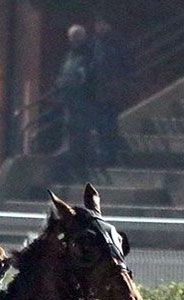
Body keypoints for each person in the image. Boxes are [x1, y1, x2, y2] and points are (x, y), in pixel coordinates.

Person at [55, 24, 95, 179]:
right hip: (70, 101)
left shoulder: (88, 55)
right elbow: (64, 74)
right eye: (71, 38)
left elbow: (89, 77)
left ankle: (80, 166)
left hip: (82, 101)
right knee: (71, 133)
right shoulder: (70, 55)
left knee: (81, 135)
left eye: (76, 37)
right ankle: (73, 165)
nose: (73, 41)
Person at [89, 16, 130, 166]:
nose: (99, 27)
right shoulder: (94, 43)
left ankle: (110, 155)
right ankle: (104, 154)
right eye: (97, 24)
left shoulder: (115, 43)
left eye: (102, 24)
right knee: (101, 124)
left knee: (109, 124)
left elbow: (123, 65)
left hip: (110, 91)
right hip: (98, 91)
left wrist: (119, 85)